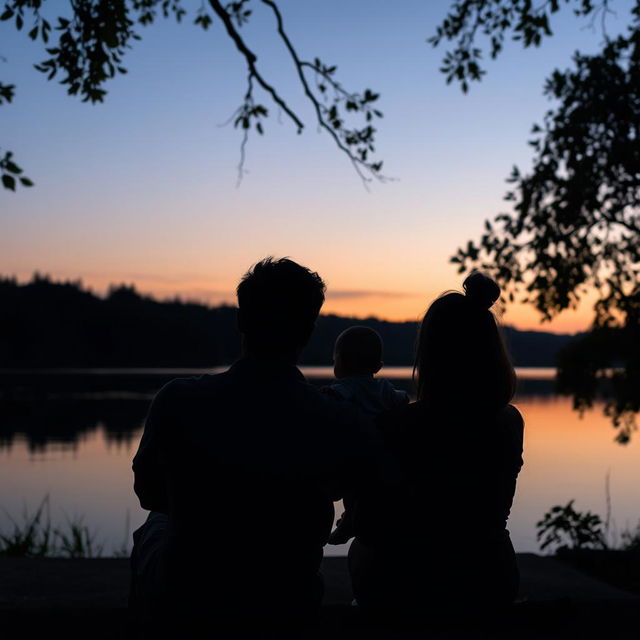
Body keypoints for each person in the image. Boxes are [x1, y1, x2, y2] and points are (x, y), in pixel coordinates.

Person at [130, 257, 387, 633]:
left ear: (241, 320)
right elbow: (366, 495)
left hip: (191, 598)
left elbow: (148, 492)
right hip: (287, 602)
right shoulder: (338, 419)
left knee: (156, 523)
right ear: (308, 331)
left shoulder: (178, 400)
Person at [349, 272, 524, 623]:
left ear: (430, 353)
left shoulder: (397, 425)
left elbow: (367, 520)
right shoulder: (509, 422)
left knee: (362, 548)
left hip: (411, 584)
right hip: (491, 576)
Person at [324, 326, 409, 545]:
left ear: (339, 362)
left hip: (355, 453)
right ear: (378, 366)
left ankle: (349, 522)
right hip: (383, 455)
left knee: (353, 494)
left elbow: (334, 402)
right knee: (367, 496)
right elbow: (402, 399)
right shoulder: (383, 387)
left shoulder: (341, 389)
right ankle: (353, 520)